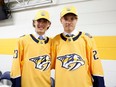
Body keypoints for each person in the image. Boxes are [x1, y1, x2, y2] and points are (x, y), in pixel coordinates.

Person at [52, 6, 105, 87]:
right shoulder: (55, 41)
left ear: (76, 20)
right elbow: (49, 64)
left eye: (72, 18)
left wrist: (100, 84)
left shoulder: (87, 39)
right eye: (66, 19)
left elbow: (96, 65)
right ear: (61, 20)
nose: (68, 22)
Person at [10, 10, 52, 87]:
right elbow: (15, 66)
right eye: (39, 21)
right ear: (34, 22)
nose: (41, 24)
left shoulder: (52, 43)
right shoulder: (22, 40)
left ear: (48, 24)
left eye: (44, 21)